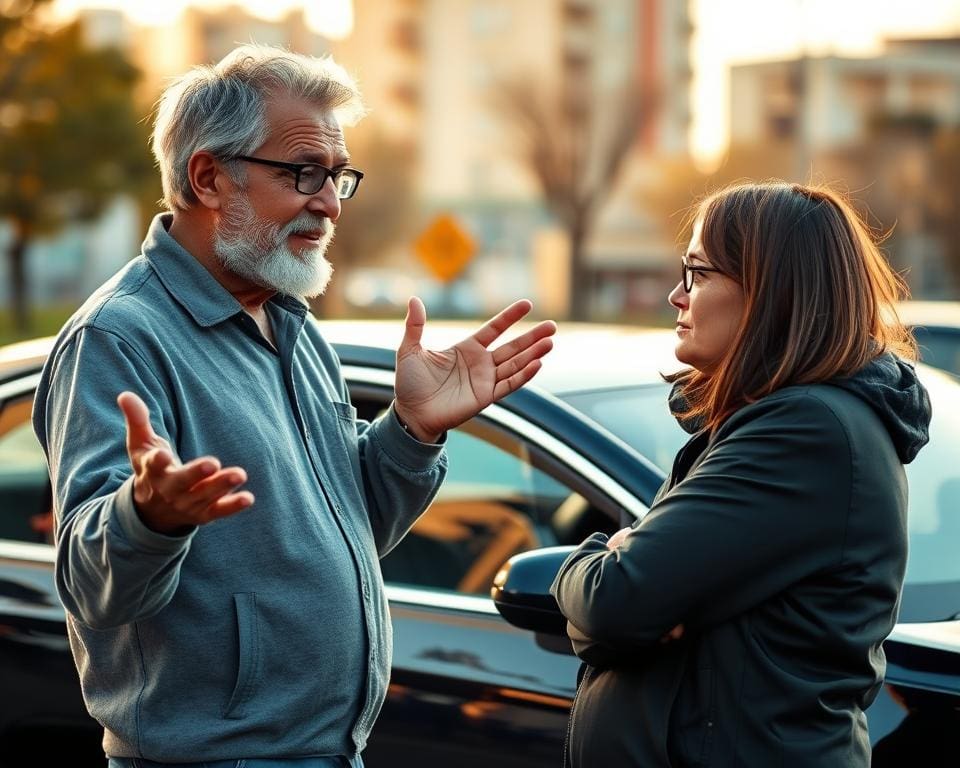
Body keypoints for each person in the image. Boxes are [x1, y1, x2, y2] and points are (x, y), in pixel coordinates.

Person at [32, 44, 556, 768]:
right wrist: (147, 517)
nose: (330, 202)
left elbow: (353, 532)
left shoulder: (287, 321)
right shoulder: (119, 336)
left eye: (339, 176)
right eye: (304, 173)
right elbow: (92, 586)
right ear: (210, 177)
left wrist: (410, 432)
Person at [550, 181, 931, 767]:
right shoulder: (783, 421)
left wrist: (588, 561)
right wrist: (618, 598)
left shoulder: (805, 431)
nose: (677, 295)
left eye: (698, 274)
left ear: (769, 293)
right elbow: (622, 618)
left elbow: (615, 602)